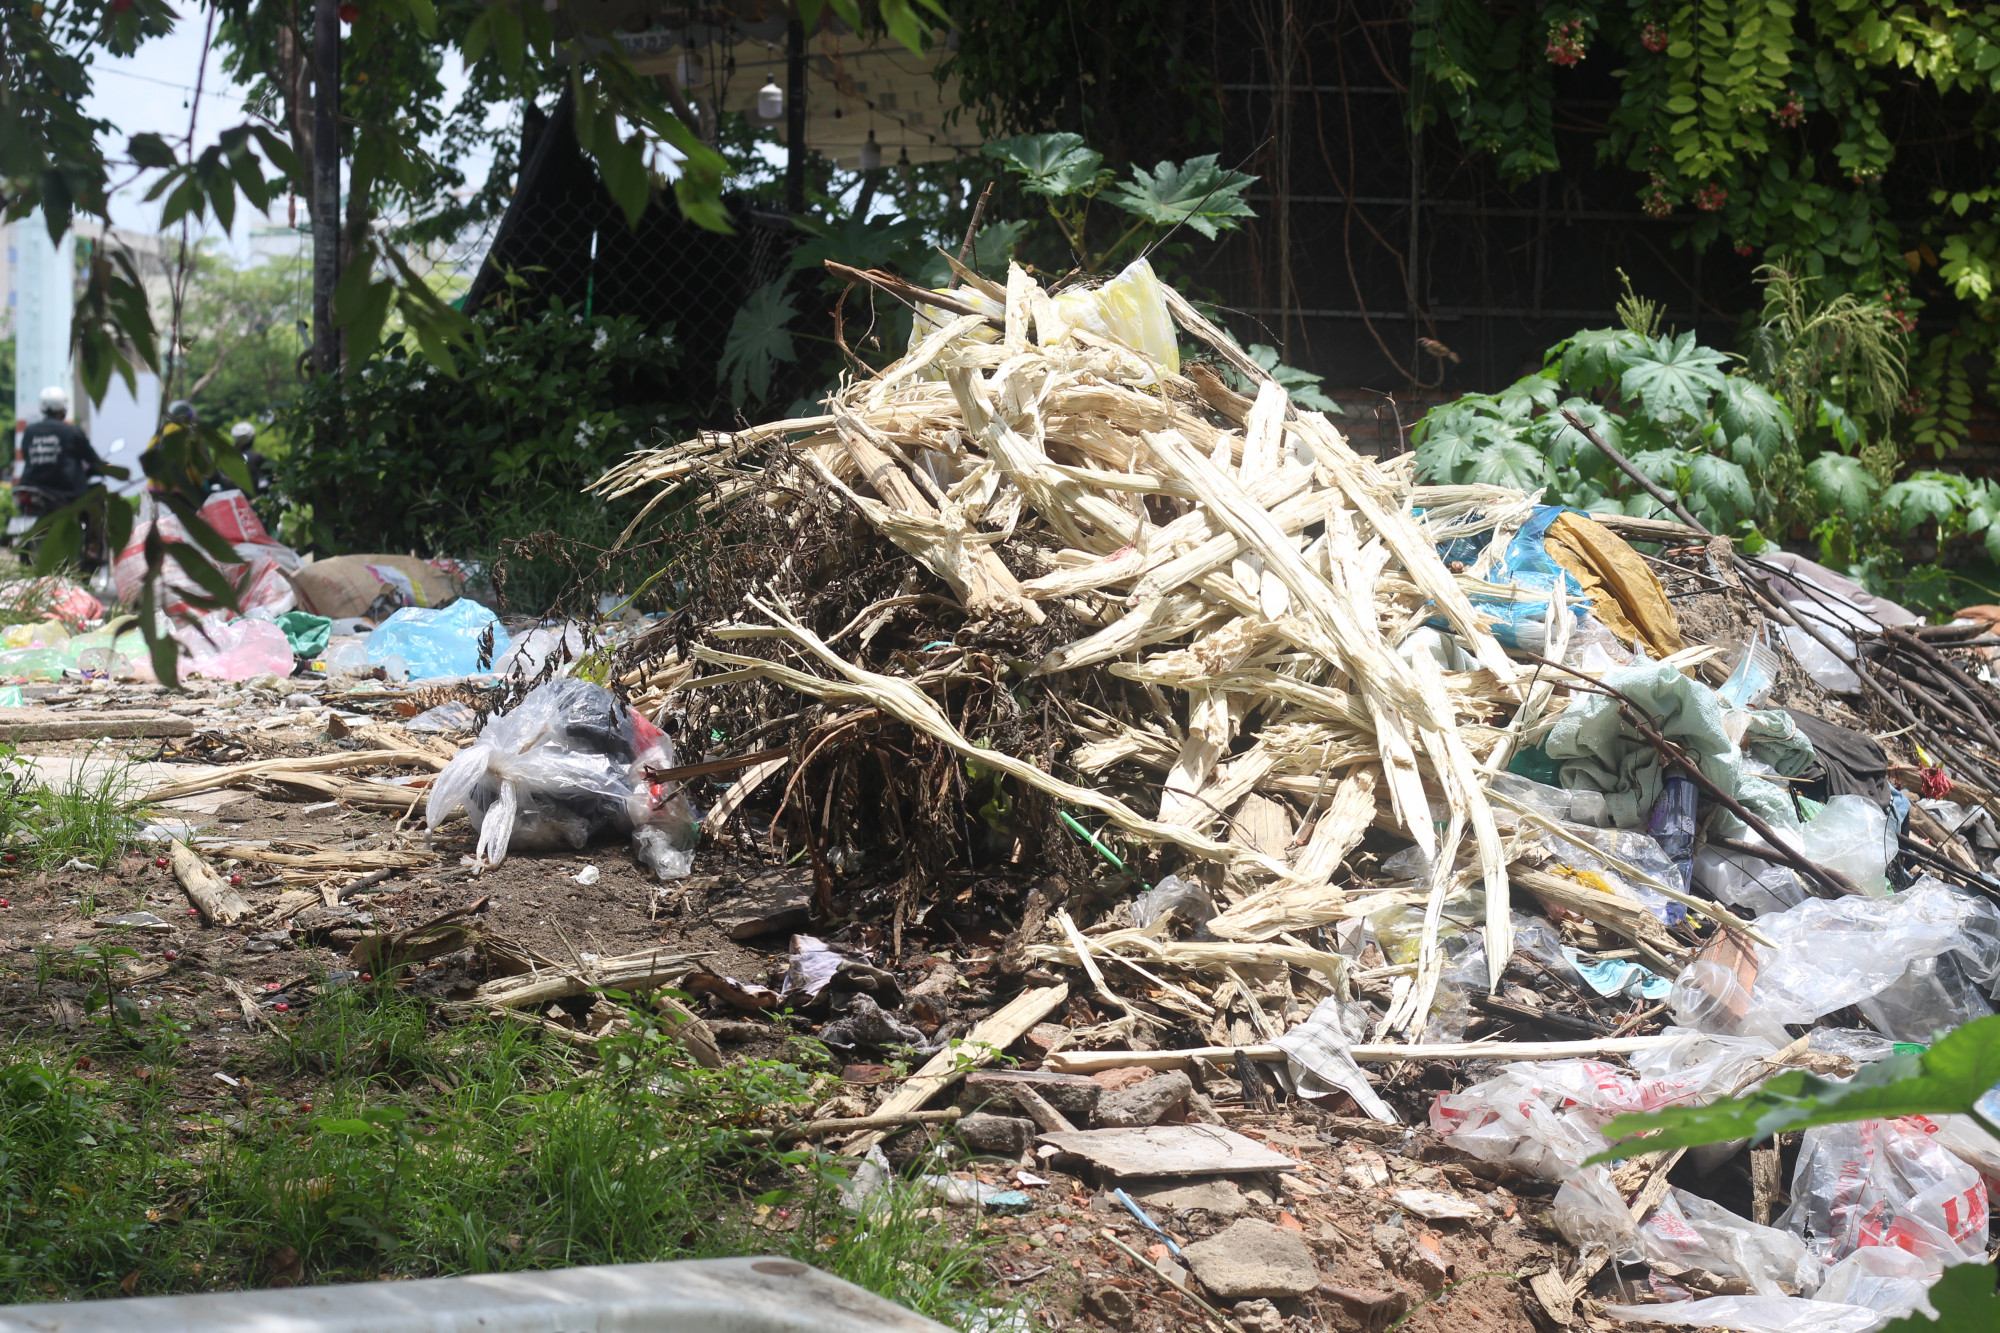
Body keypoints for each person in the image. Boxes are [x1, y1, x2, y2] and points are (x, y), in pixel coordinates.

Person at [15, 387, 104, 503]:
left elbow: (27, 455)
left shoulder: (29, 431)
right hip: (64, 493)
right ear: (63, 408)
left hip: (31, 490)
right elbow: (92, 458)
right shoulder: (72, 432)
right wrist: (105, 468)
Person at [143, 399, 209, 508]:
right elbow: (192, 466)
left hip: (153, 488)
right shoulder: (185, 433)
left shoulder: (159, 433)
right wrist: (201, 486)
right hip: (178, 490)